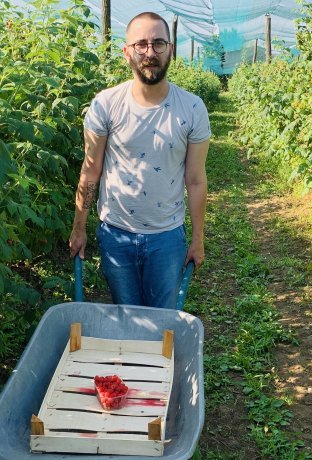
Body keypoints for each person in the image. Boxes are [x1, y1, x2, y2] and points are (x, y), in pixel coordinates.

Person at [68, 11, 211, 309]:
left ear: (171, 49)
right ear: (127, 52)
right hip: (115, 235)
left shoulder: (192, 108)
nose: (150, 53)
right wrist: (79, 227)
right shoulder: (105, 105)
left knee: (162, 322)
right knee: (127, 317)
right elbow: (91, 170)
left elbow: (196, 179)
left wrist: (197, 238)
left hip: (167, 237)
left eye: (159, 43)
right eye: (141, 45)